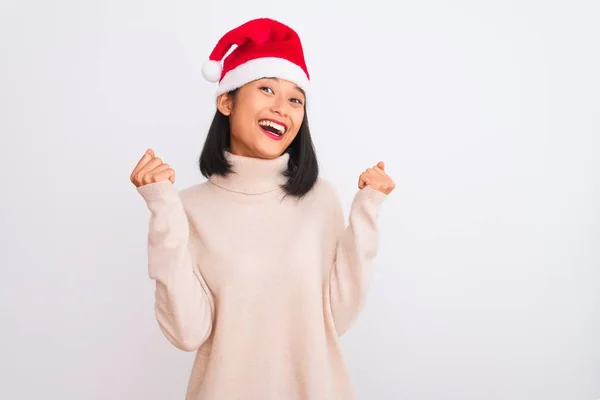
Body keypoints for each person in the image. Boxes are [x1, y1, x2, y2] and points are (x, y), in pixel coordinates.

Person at [129, 17, 395, 400]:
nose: (282, 108)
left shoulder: (319, 199)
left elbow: (337, 318)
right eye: (266, 89)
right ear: (226, 101)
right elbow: (187, 333)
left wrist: (367, 210)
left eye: (295, 99)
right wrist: (162, 208)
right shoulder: (186, 208)